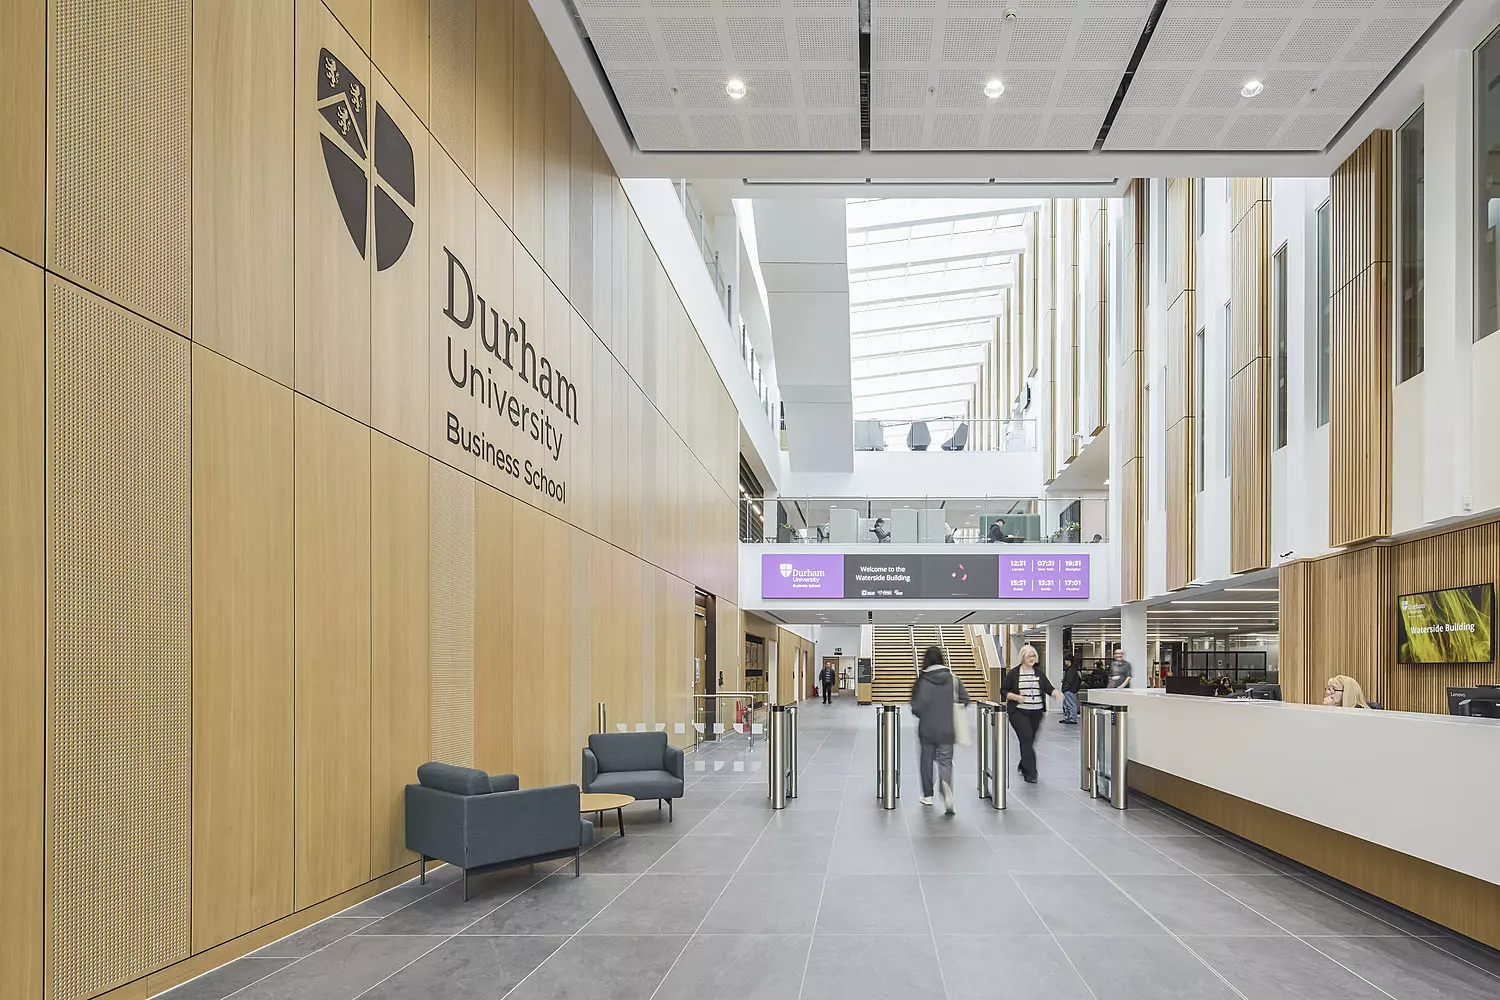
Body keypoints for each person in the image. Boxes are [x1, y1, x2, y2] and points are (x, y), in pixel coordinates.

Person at [909, 645, 970, 813]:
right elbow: (965, 699)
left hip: (927, 728)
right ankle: (946, 788)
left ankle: (927, 796)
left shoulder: (921, 680)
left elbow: (916, 707)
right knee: (945, 761)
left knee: (926, 761)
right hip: (947, 728)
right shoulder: (953, 679)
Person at [1000, 644, 1061, 783]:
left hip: (1036, 713)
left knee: (1029, 741)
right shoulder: (1014, 673)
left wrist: (1055, 692)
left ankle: (1023, 764)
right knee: (1026, 739)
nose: (1032, 658)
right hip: (1018, 712)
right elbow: (1003, 690)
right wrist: (1014, 697)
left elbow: (1048, 687)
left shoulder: (1038, 673)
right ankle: (1031, 773)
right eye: (1029, 656)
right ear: (1022, 657)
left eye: (1034, 656)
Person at [1060, 654, 1082, 724]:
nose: (1064, 662)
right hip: (1070, 690)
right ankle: (1068, 717)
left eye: (1065, 660)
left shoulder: (1071, 670)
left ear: (1069, 661)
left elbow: (1069, 681)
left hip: (1069, 690)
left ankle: (1072, 718)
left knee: (1071, 705)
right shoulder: (1072, 670)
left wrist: (1065, 689)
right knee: (1067, 705)